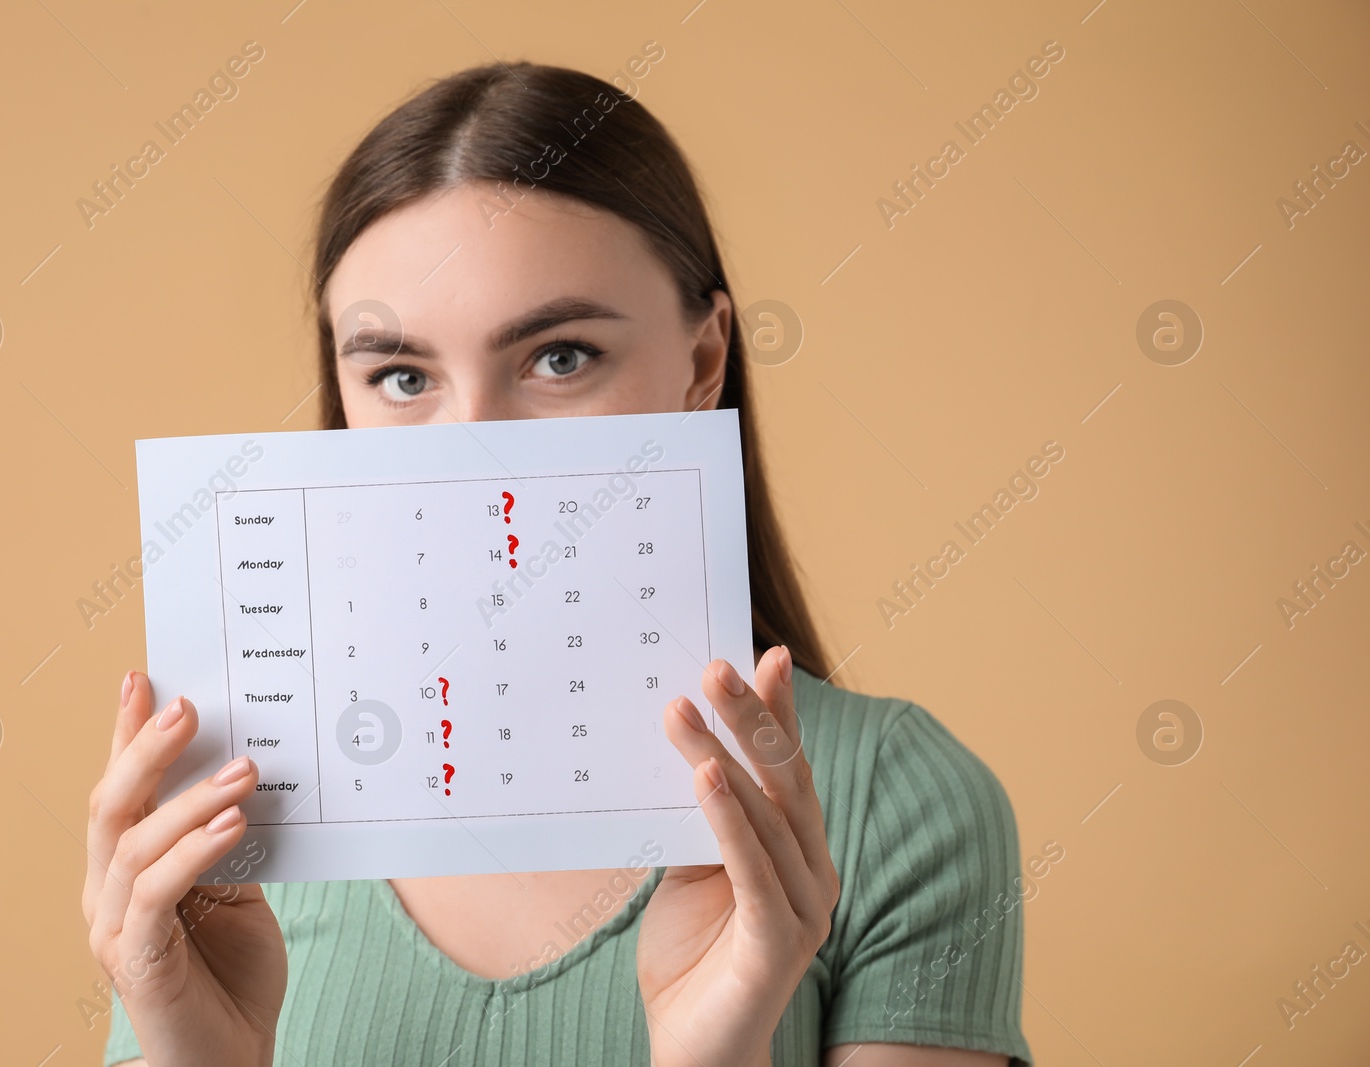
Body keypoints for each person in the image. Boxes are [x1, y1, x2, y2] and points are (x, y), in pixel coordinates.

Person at [83, 62, 1034, 1067]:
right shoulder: (234, 814)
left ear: (702, 361)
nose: (473, 447)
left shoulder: (899, 800)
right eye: (401, 375)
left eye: (561, 356)